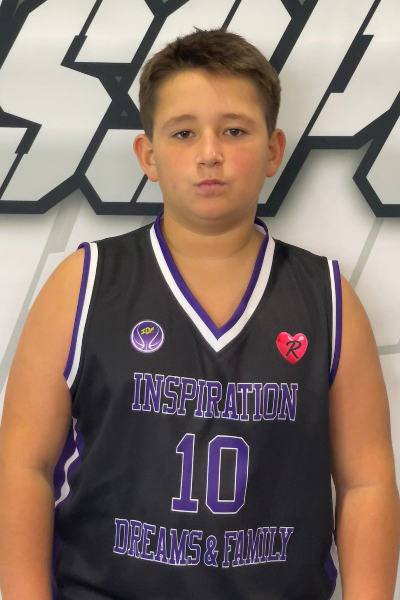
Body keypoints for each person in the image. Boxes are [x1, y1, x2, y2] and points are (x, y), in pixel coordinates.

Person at [0, 25, 399, 600]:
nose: (210, 153)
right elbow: (23, 469)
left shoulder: (327, 298)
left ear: (273, 150)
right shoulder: (84, 283)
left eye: (234, 130)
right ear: (148, 155)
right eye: (183, 132)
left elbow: (366, 484)